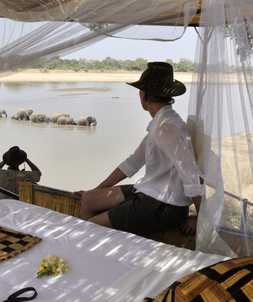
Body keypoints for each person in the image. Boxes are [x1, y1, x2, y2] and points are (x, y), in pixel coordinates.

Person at [76, 62, 204, 238]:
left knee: (90, 227)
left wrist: (200, 217)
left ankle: (98, 249)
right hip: (149, 193)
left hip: (164, 205)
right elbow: (132, 162)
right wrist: (95, 190)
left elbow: (193, 175)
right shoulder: (161, 124)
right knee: (88, 199)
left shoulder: (165, 129)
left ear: (144, 95)